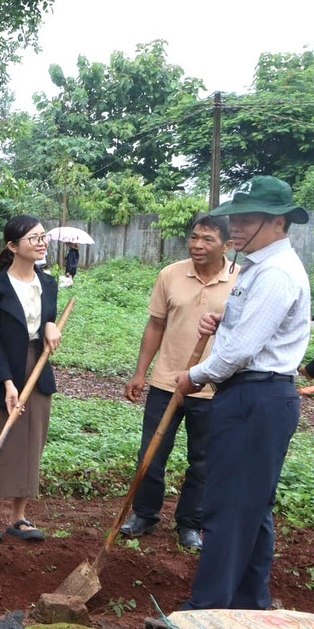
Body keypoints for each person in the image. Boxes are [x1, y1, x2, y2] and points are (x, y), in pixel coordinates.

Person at [174, 176, 309, 611]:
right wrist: (225, 324)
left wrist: (195, 374)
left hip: (256, 398)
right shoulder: (259, 268)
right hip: (252, 396)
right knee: (251, 506)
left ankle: (208, 610)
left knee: (230, 506)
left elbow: (247, 349)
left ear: (277, 223)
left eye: (246, 219)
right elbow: (248, 334)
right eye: (235, 217)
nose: (235, 227)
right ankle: (250, 603)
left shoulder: (276, 274)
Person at [120, 215, 235, 551]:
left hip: (213, 388)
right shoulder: (170, 274)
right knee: (151, 454)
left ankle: (190, 524)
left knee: (203, 460)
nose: (197, 245)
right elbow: (155, 325)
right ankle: (144, 515)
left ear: (227, 245)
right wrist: (141, 373)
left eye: (208, 239)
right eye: (194, 237)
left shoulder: (241, 281)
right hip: (167, 382)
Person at [0, 215, 62, 542]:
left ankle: (20, 517)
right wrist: (8, 384)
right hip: (1, 371)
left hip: (36, 368)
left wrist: (50, 326)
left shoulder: (48, 284)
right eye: (33, 239)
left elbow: (47, 321)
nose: (41, 243)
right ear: (13, 247)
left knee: (30, 440)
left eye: (43, 237)